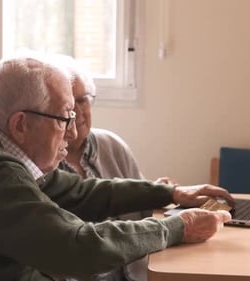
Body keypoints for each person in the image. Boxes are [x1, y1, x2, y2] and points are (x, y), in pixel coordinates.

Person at [0, 54, 234, 281]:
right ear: (21, 125)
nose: (72, 130)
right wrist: (177, 228)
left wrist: (169, 193)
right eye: (64, 117)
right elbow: (78, 247)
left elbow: (80, 191)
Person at [56, 55, 172, 281]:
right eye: (68, 105)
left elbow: (142, 211)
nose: (78, 112)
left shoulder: (112, 145)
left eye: (83, 100)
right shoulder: (41, 164)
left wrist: (160, 195)